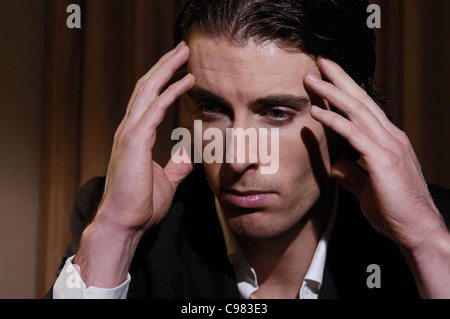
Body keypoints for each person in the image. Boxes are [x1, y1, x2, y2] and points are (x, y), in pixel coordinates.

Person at [48, 0, 450, 299]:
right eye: (213, 107)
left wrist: (428, 245)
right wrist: (115, 233)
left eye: (276, 113)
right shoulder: (117, 223)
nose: (236, 158)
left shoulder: (429, 231)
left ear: (348, 114)